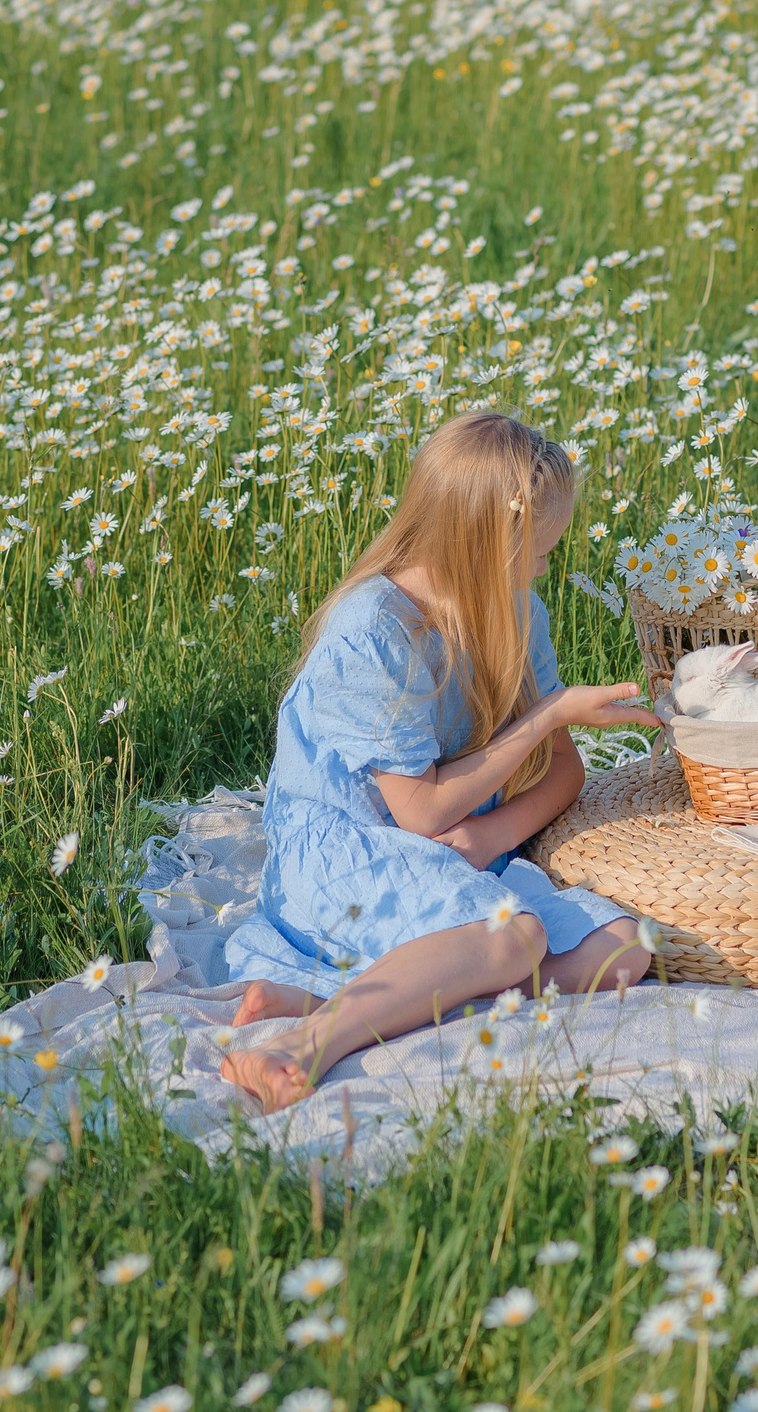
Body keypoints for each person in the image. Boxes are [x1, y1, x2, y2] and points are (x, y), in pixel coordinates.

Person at [219, 410, 651, 1114]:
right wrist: (548, 714)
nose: (547, 564)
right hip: (347, 851)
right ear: (488, 541)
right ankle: (303, 1041)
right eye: (540, 548)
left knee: (623, 947)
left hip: (452, 845)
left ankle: (346, 991)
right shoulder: (372, 631)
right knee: (516, 934)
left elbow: (565, 770)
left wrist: (490, 834)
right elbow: (418, 813)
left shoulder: (516, 610)